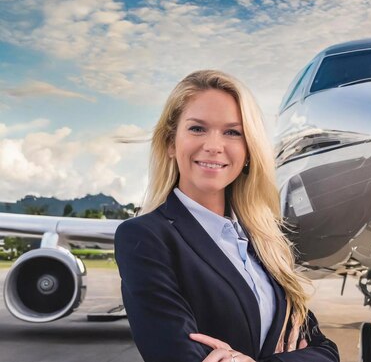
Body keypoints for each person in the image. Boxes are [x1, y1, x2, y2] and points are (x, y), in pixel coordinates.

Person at [114, 70, 340, 362]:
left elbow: (326, 352)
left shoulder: (265, 241)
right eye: (197, 129)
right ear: (171, 143)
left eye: (232, 132)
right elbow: (177, 355)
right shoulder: (144, 237)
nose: (213, 145)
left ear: (248, 151)